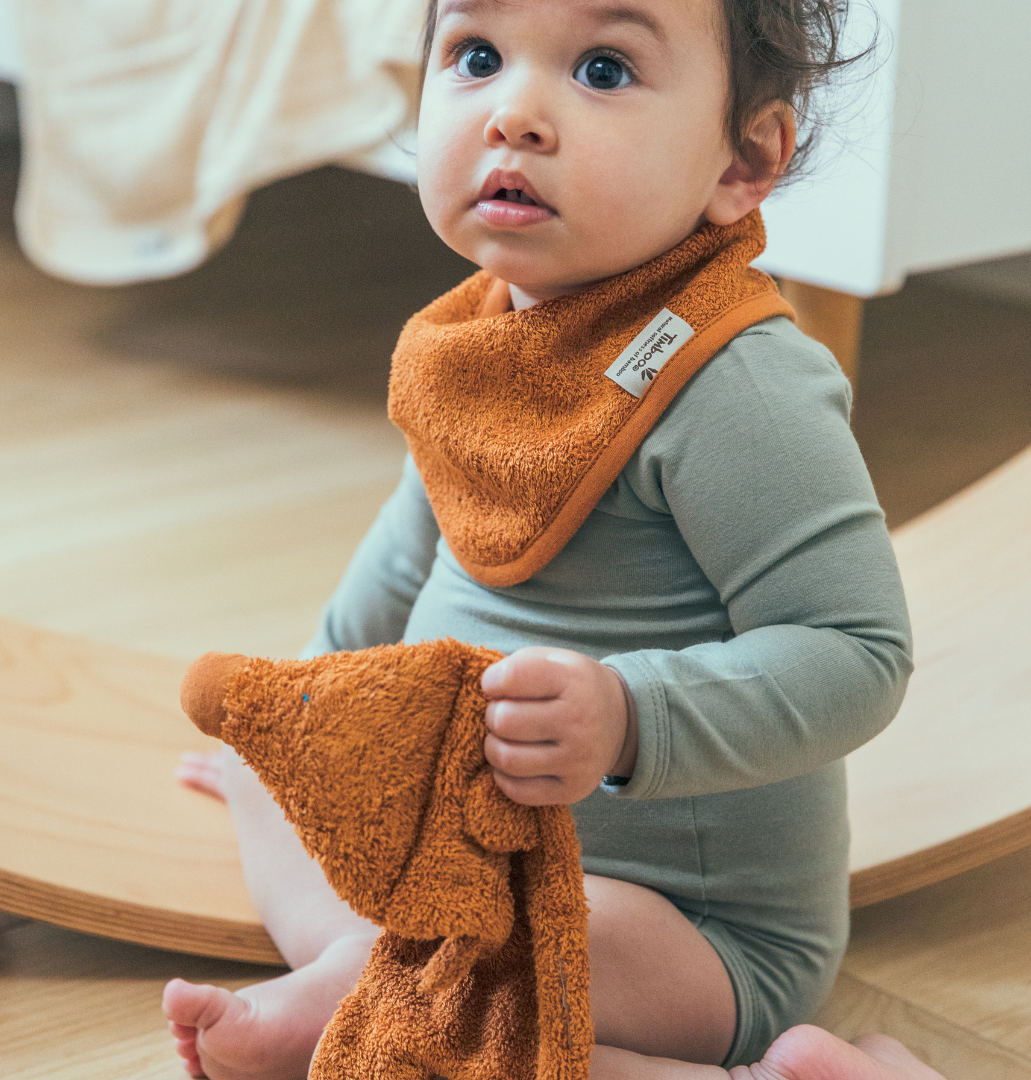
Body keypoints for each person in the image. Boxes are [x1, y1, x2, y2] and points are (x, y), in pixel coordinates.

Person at [163, 0, 944, 1077]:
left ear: (743, 159)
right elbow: (410, 554)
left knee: (481, 991)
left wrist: (630, 718)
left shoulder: (735, 382)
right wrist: (315, 711)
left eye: (605, 69)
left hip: (685, 932)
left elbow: (858, 654)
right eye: (477, 57)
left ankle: (340, 1020)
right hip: (466, 858)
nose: (516, 113)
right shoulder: (477, 341)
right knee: (317, 851)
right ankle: (356, 998)